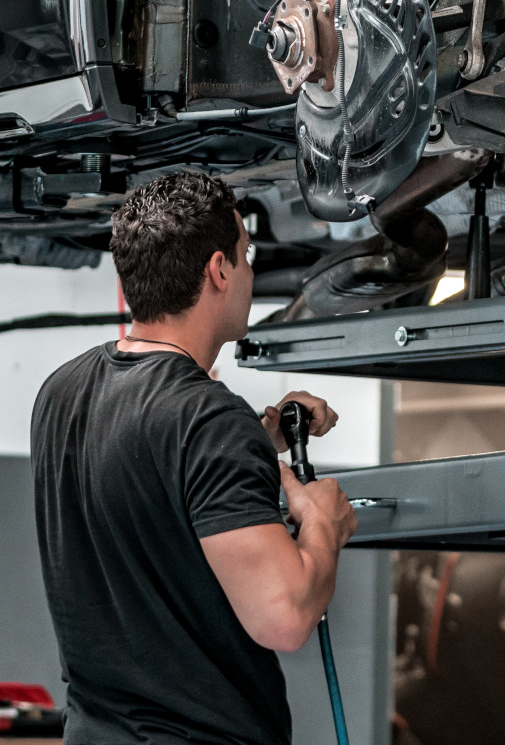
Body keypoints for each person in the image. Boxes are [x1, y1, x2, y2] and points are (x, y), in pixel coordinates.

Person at [31, 171, 359, 745]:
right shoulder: (208, 423)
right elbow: (283, 616)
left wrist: (262, 438)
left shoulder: (61, 393)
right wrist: (323, 527)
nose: (251, 273)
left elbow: (151, 469)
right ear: (218, 270)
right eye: (246, 254)